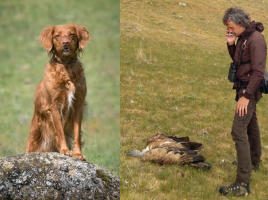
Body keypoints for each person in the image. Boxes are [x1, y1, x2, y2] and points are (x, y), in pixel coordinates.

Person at [220, 7, 267, 196]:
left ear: (240, 23)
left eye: (230, 27)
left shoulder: (255, 40)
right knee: (251, 126)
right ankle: (253, 161)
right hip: (244, 87)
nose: (229, 30)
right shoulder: (244, 37)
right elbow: (240, 62)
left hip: (249, 90)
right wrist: (231, 44)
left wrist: (246, 97)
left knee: (238, 130)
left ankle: (242, 183)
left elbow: (257, 72)